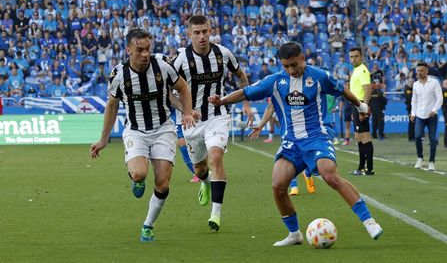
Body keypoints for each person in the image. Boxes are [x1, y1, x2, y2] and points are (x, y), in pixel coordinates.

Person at [209, 42, 383, 246]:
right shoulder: (275, 81)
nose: (291, 70)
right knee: (278, 186)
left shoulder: (319, 76)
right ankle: (294, 234)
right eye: (286, 66)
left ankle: (368, 220)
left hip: (317, 137)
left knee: (329, 175)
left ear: (302, 58)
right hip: (291, 142)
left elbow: (342, 90)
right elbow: (246, 92)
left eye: (294, 64)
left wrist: (361, 106)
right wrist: (222, 100)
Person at [90, 28, 196, 242]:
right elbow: (111, 106)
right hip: (136, 130)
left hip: (163, 129)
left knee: (162, 183)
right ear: (128, 50)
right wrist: (103, 140)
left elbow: (183, 88)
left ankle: (148, 225)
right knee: (139, 174)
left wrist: (187, 111)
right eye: (140, 50)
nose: (145, 54)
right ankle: (137, 180)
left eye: (148, 49)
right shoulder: (119, 75)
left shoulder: (163, 66)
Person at [172, 15, 254, 231]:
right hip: (192, 121)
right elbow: (166, 93)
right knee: (200, 169)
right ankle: (205, 182)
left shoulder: (223, 53)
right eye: (196, 33)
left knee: (215, 157)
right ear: (189, 35)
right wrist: (186, 110)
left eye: (205, 31)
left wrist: (245, 102)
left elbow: (241, 76)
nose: (202, 36)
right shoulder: (180, 59)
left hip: (218, 115)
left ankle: (216, 214)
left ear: (211, 31)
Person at [411, 62, 443, 171]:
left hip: (431, 115)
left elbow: (440, 98)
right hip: (419, 115)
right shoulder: (415, 84)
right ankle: (420, 158)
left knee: (433, 139)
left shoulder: (434, 82)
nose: (419, 73)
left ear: (427, 71)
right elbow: (414, 101)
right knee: (417, 136)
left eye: (422, 71)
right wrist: (413, 113)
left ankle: (431, 161)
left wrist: (434, 110)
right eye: (418, 71)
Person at [349, 47, 375, 176]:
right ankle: (361, 167)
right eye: (351, 57)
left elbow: (367, 90)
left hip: (360, 105)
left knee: (365, 137)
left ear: (361, 57)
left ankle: (369, 169)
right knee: (359, 137)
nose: (354, 59)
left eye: (356, 56)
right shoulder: (356, 70)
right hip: (356, 105)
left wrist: (364, 109)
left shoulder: (363, 70)